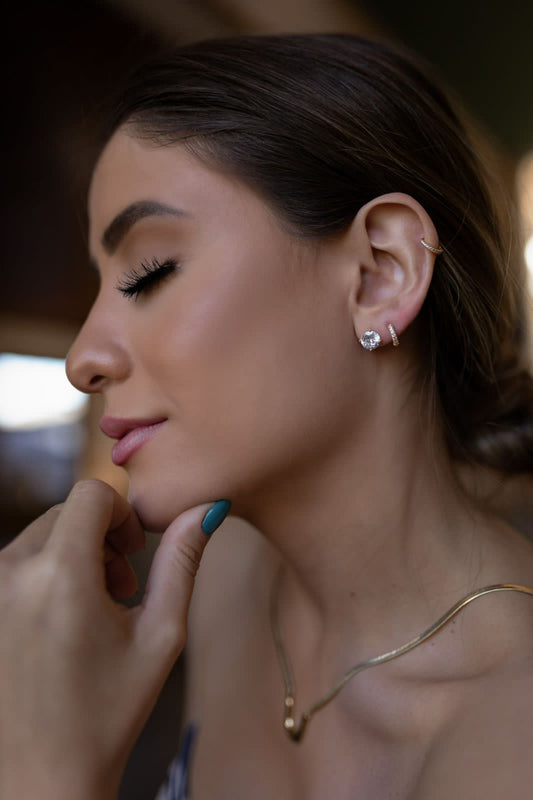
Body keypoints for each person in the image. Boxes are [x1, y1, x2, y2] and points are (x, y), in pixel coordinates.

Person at [2, 32, 533, 800]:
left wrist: (40, 767)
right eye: (98, 286)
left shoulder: (510, 742)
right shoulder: (223, 575)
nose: (83, 358)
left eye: (149, 271)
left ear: (380, 276)